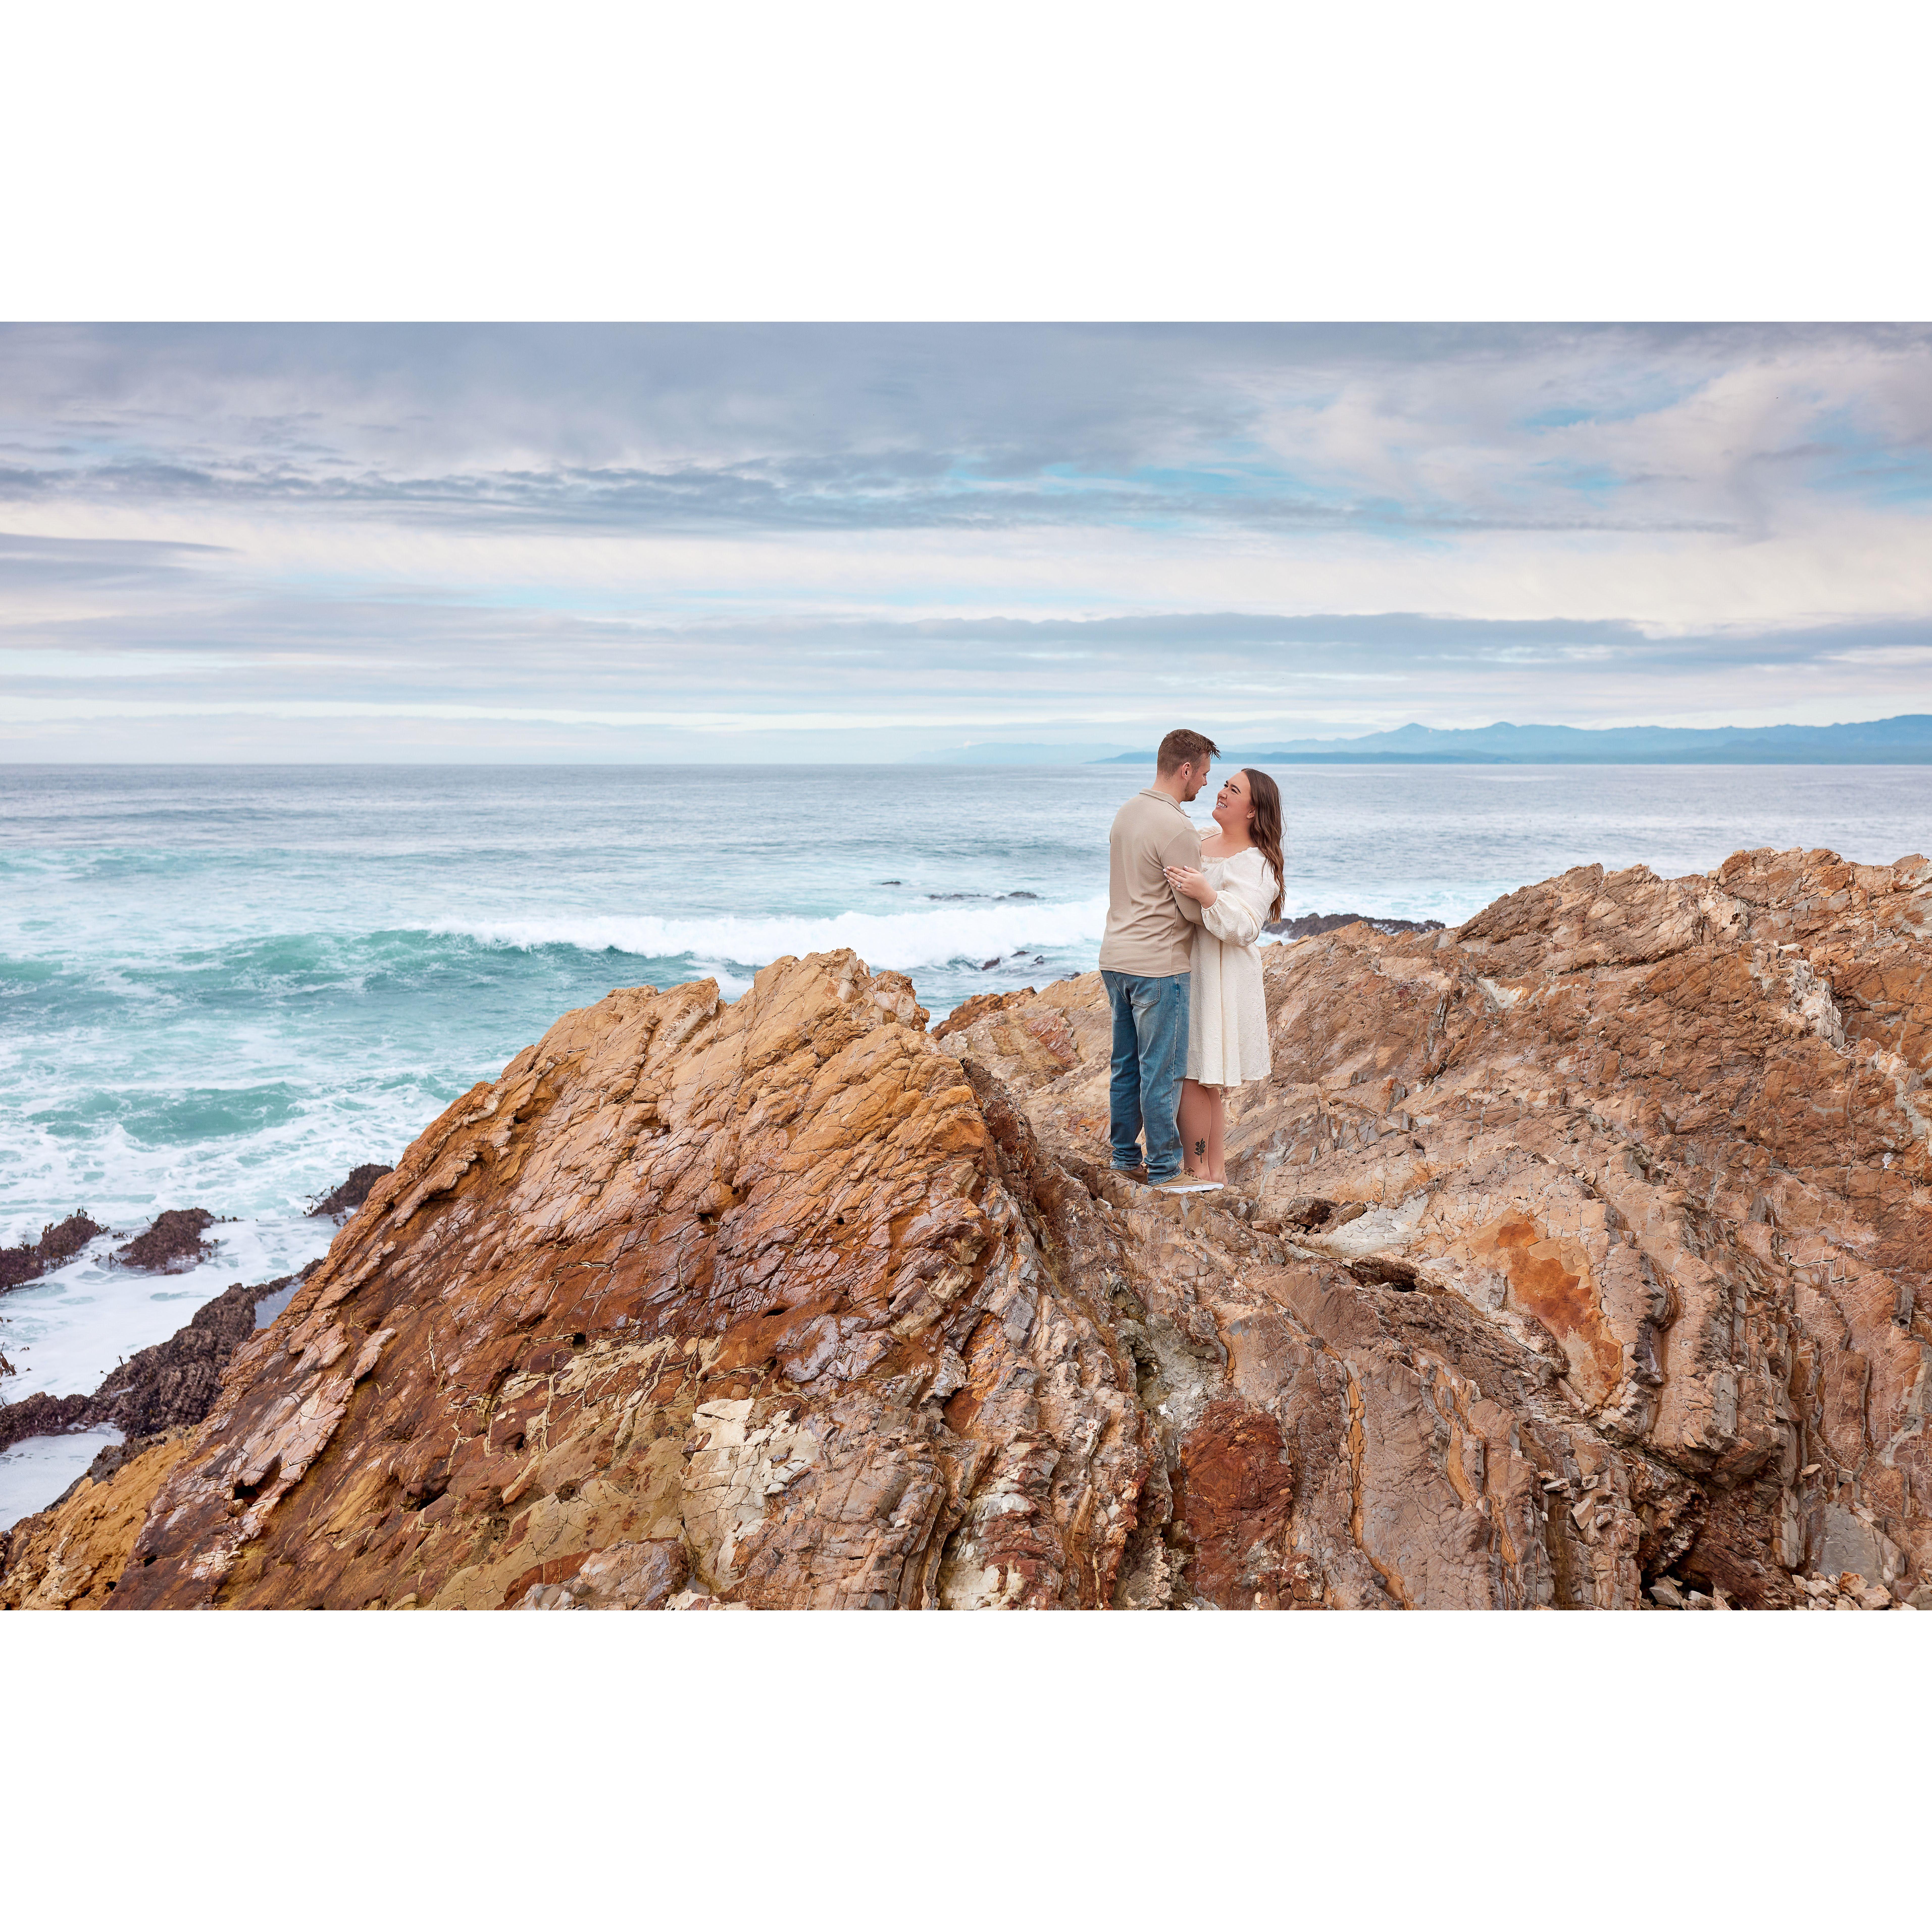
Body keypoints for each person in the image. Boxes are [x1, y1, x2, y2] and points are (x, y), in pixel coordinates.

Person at [1099, 728, 1220, 1191]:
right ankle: (1167, 1171)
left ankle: (1124, 1159)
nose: (1206, 785)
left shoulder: (1128, 813)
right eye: (1204, 774)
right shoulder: (1177, 828)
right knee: (1162, 1072)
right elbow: (1193, 908)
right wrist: (1217, 898)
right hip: (1159, 964)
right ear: (1186, 769)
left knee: (1126, 1066)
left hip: (1117, 957)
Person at [1164, 766, 1285, 1187]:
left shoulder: (1257, 863)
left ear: (1253, 811)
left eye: (1234, 790)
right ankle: (1214, 1173)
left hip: (1221, 976)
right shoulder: (1198, 841)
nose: (1223, 793)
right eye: (1225, 785)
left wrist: (1207, 893)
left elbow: (1248, 925)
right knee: (1203, 1075)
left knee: (1195, 1073)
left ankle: (1197, 1171)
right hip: (1191, 965)